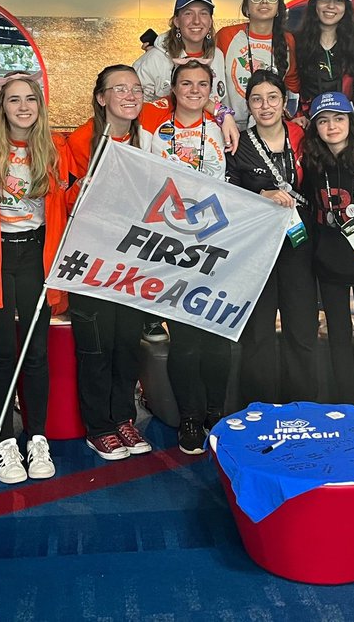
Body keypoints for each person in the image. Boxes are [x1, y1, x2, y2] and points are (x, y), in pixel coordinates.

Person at [0, 73, 71, 484]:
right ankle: (5, 442)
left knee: (37, 351)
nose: (23, 106)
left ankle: (37, 436)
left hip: (36, 254)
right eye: (14, 100)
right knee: (4, 352)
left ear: (40, 105)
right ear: (1, 106)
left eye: (31, 99)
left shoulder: (55, 147)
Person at [65, 65, 157, 461]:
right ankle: (98, 426)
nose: (130, 95)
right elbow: (62, 200)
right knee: (96, 347)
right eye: (120, 89)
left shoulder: (148, 141)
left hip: (132, 263)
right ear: (101, 97)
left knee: (126, 345)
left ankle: (122, 417)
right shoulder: (78, 142)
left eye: (136, 88)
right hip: (92, 263)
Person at [141, 60, 229, 453]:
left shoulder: (221, 130)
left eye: (203, 84)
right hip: (170, 242)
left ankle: (216, 415)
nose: (194, 90)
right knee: (186, 338)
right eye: (186, 83)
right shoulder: (154, 129)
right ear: (172, 89)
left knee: (217, 337)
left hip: (214, 240)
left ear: (212, 90)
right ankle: (190, 418)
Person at [226, 69, 316, 404]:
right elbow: (228, 191)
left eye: (272, 98)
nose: (265, 106)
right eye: (257, 99)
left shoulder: (304, 138)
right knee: (258, 333)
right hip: (257, 247)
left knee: (302, 330)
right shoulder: (239, 143)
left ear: (284, 101)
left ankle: (303, 403)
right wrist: (259, 197)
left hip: (299, 244)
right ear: (248, 104)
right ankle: (258, 406)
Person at [302, 91, 354, 405]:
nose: (332, 126)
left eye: (338, 118)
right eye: (323, 121)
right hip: (330, 264)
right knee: (338, 339)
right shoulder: (312, 163)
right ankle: (347, 404)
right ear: (315, 128)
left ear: (351, 121)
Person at [134, 0, 237, 152]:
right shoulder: (154, 59)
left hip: (208, 145)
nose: (196, 21)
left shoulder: (217, 56)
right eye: (188, 13)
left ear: (210, 21)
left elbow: (219, 99)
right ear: (176, 21)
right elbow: (135, 108)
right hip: (165, 146)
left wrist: (223, 114)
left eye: (203, 13)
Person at [214, 0, 300, 129]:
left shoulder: (288, 40)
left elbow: (292, 85)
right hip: (229, 126)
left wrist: (292, 116)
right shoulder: (226, 35)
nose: (264, 1)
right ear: (246, 8)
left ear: (279, 8)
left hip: (270, 127)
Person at [295, 0, 354, 115]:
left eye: (338, 0)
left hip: (347, 126)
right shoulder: (297, 43)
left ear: (346, 7)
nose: (331, 6)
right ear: (315, 4)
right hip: (308, 124)